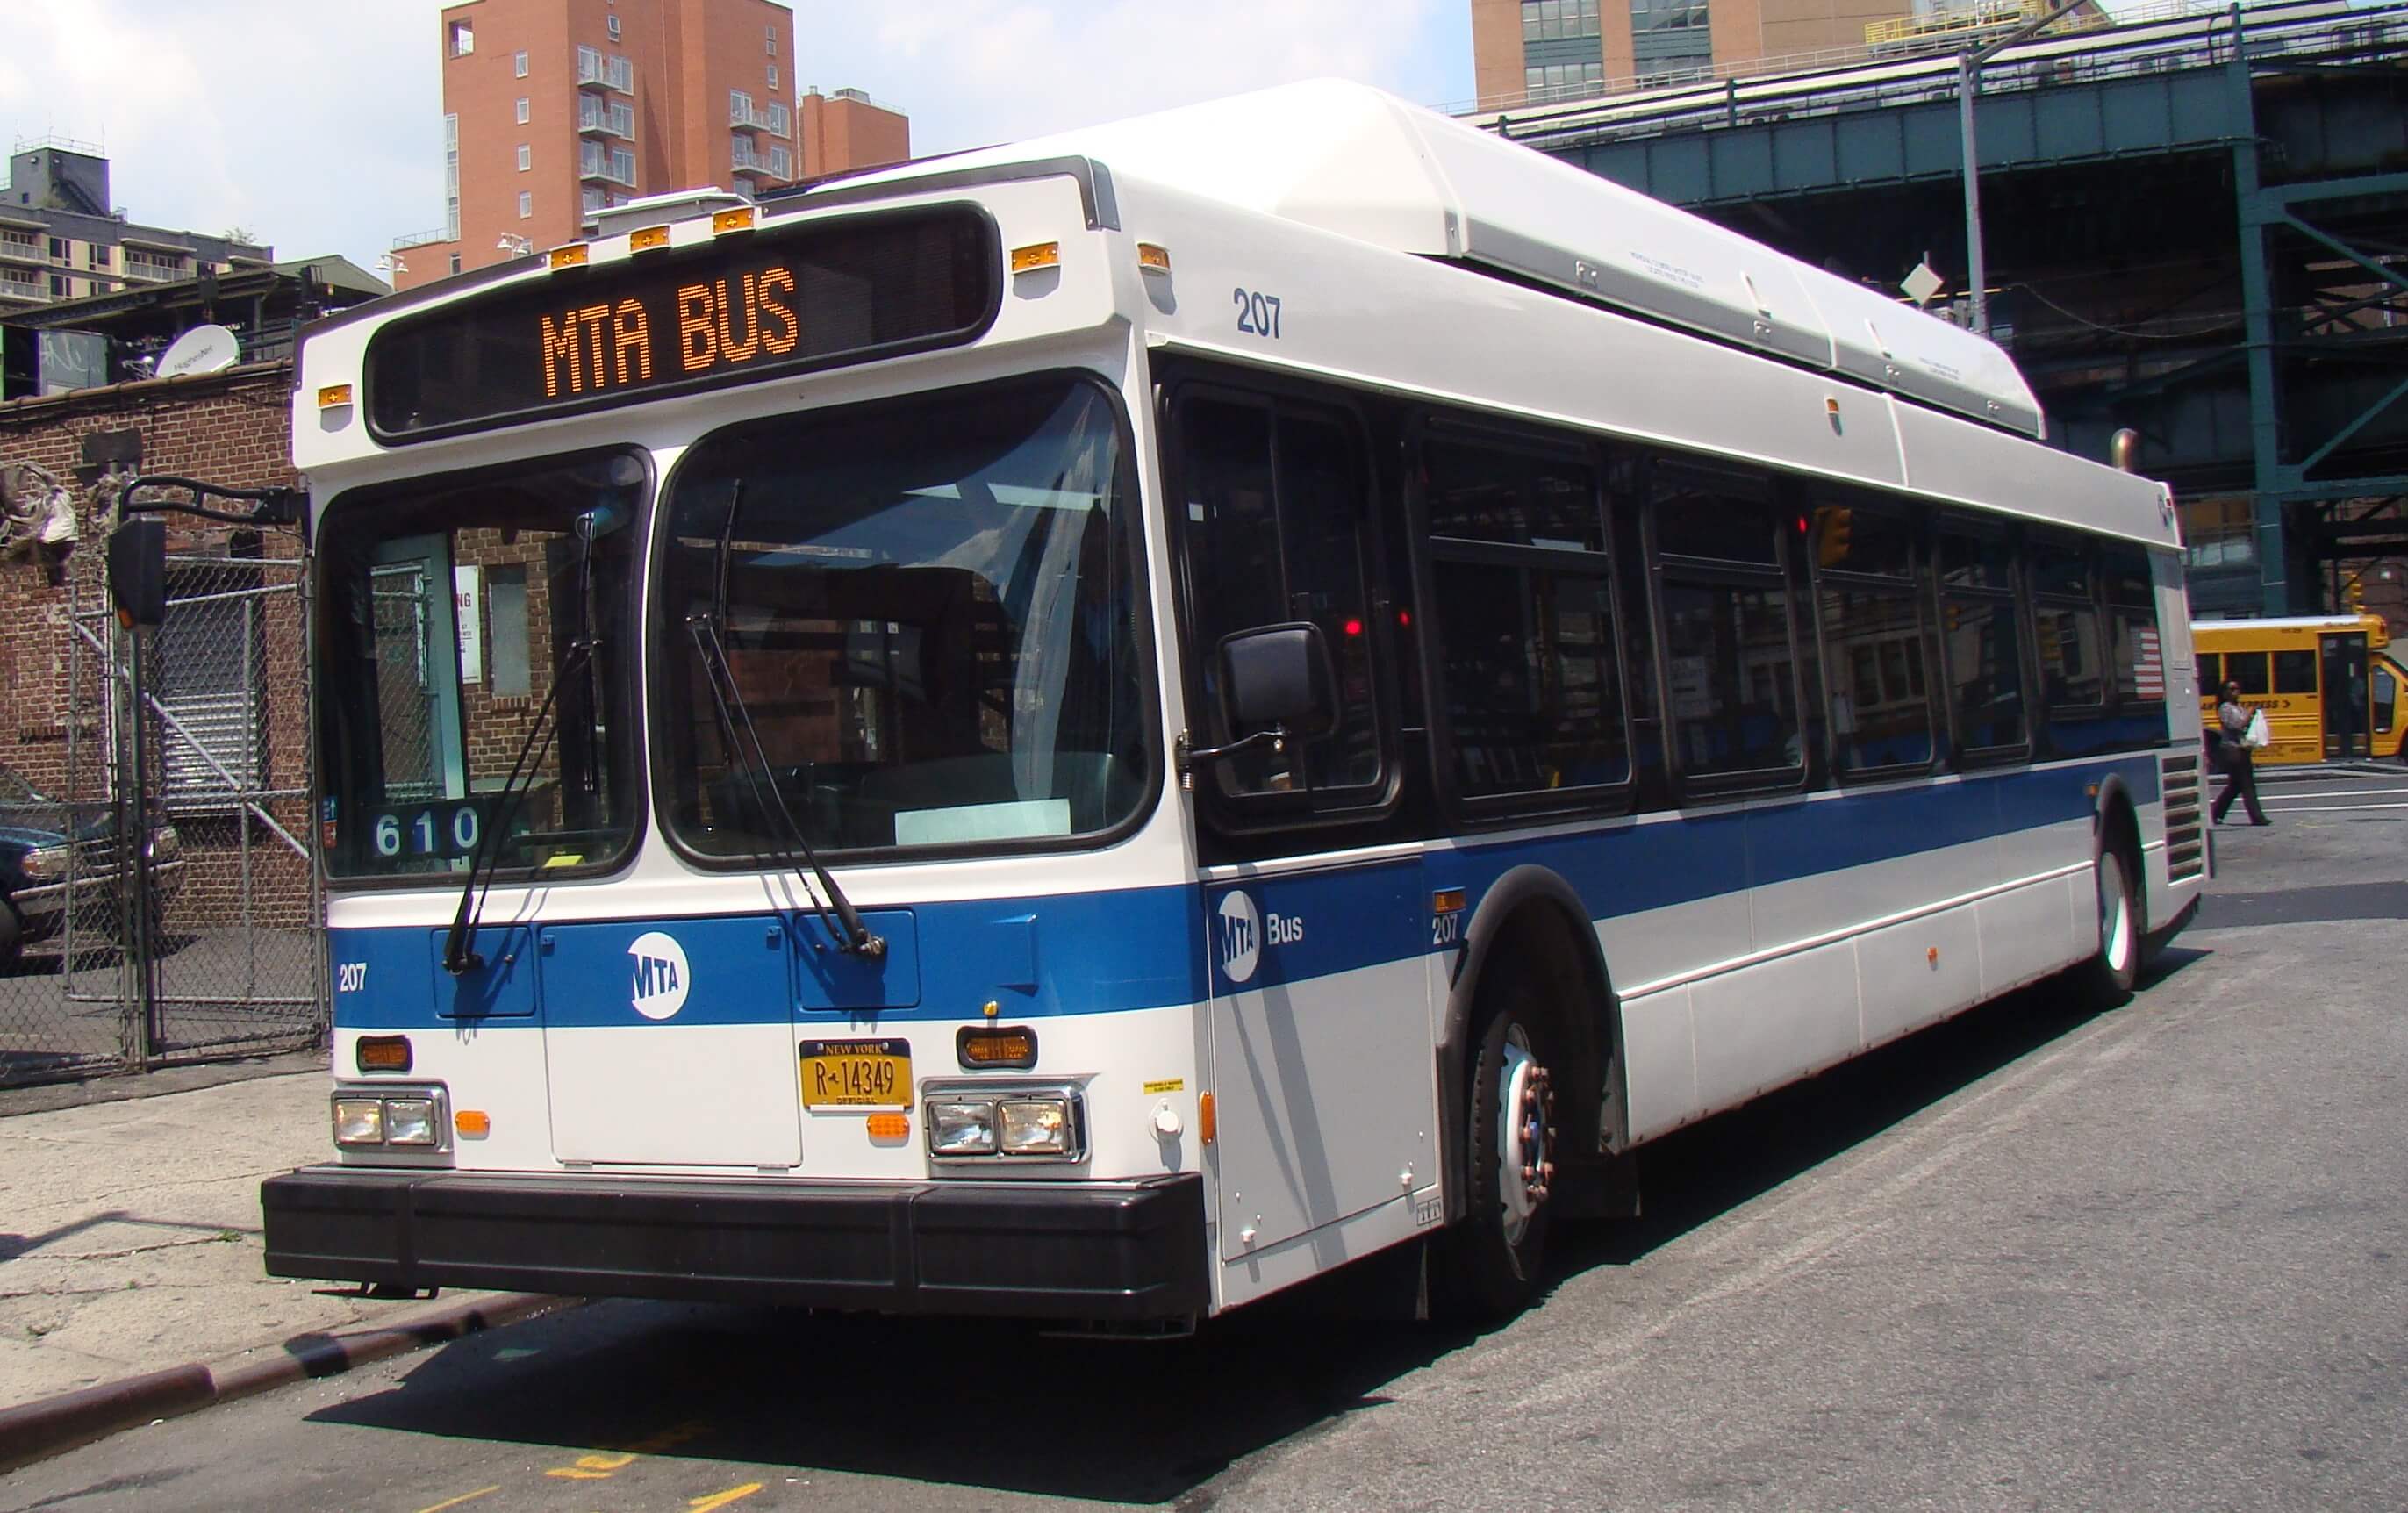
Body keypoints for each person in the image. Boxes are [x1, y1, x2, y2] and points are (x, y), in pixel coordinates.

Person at [2211, 679, 2269, 826]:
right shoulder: (2225, 708)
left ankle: (2215, 813)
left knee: (2235, 786)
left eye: (2237, 688)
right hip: (2232, 750)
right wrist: (2250, 714)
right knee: (2246, 784)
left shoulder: (2239, 708)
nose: (2235, 691)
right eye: (2231, 689)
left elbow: (2245, 727)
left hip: (2242, 749)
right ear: (2224, 693)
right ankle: (2257, 817)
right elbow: (2235, 726)